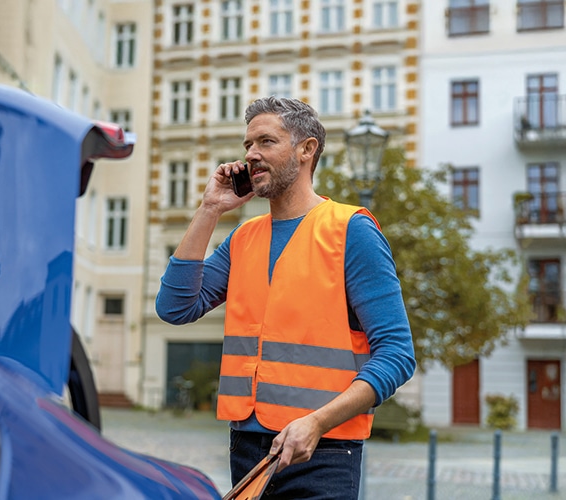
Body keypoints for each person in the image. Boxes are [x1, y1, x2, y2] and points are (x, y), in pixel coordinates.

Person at [156, 96, 415, 499]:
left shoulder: (351, 231)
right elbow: (174, 307)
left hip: (323, 451)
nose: (251, 155)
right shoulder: (243, 238)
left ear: (306, 149)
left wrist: (317, 422)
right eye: (247, 146)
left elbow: (397, 353)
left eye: (265, 142)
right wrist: (210, 208)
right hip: (248, 450)